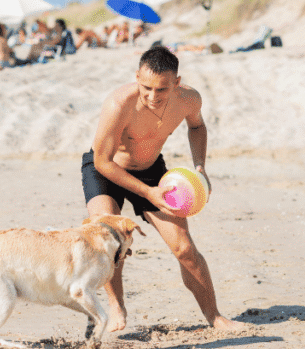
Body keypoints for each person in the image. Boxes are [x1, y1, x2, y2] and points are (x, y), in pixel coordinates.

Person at [81, 45, 243, 332]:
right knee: (108, 240)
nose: (153, 96)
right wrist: (147, 193)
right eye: (146, 88)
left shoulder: (188, 100)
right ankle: (116, 307)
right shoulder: (119, 104)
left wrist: (200, 166)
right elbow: (103, 162)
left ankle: (214, 317)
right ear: (137, 77)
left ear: (176, 83)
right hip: (106, 171)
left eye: (162, 89)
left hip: (152, 170)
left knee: (184, 249)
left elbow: (197, 127)